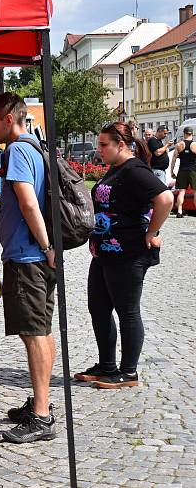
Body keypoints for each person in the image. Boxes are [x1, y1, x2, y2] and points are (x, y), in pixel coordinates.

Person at [76, 122, 172, 388]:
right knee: (98, 308)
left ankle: (128, 372)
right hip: (104, 252)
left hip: (128, 252)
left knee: (127, 311)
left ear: (121, 144)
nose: (99, 150)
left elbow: (164, 199)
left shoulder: (134, 170)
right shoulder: (116, 169)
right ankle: (107, 365)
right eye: (99, 144)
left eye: (104, 145)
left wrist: (151, 232)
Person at [0, 92, 57, 444]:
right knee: (42, 331)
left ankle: (41, 415)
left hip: (27, 257)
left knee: (33, 334)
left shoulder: (16, 150)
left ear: (8, 118)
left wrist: (45, 247)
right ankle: (41, 401)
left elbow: (29, 203)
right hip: (36, 255)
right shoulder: (36, 147)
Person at [171, 126, 196, 218]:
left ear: (184, 133)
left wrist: (172, 171)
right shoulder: (195, 145)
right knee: (195, 192)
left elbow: (173, 159)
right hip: (193, 170)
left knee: (181, 191)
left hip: (182, 170)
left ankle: (179, 211)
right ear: (192, 134)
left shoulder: (179, 145)